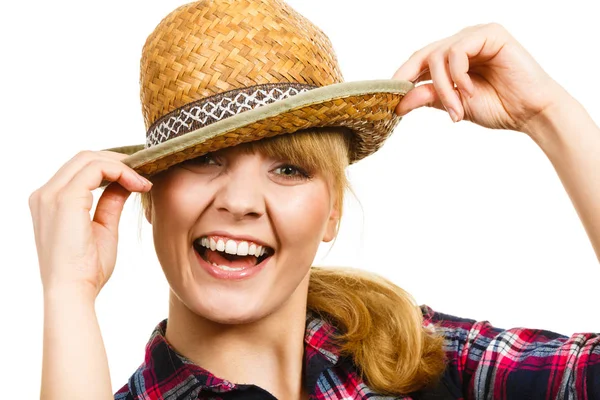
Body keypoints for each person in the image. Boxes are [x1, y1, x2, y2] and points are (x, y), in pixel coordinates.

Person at [29, 0, 600, 399]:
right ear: (149, 198)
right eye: (205, 159)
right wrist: (69, 294)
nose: (242, 202)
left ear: (332, 214)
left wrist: (549, 115)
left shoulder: (416, 356)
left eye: (288, 168)